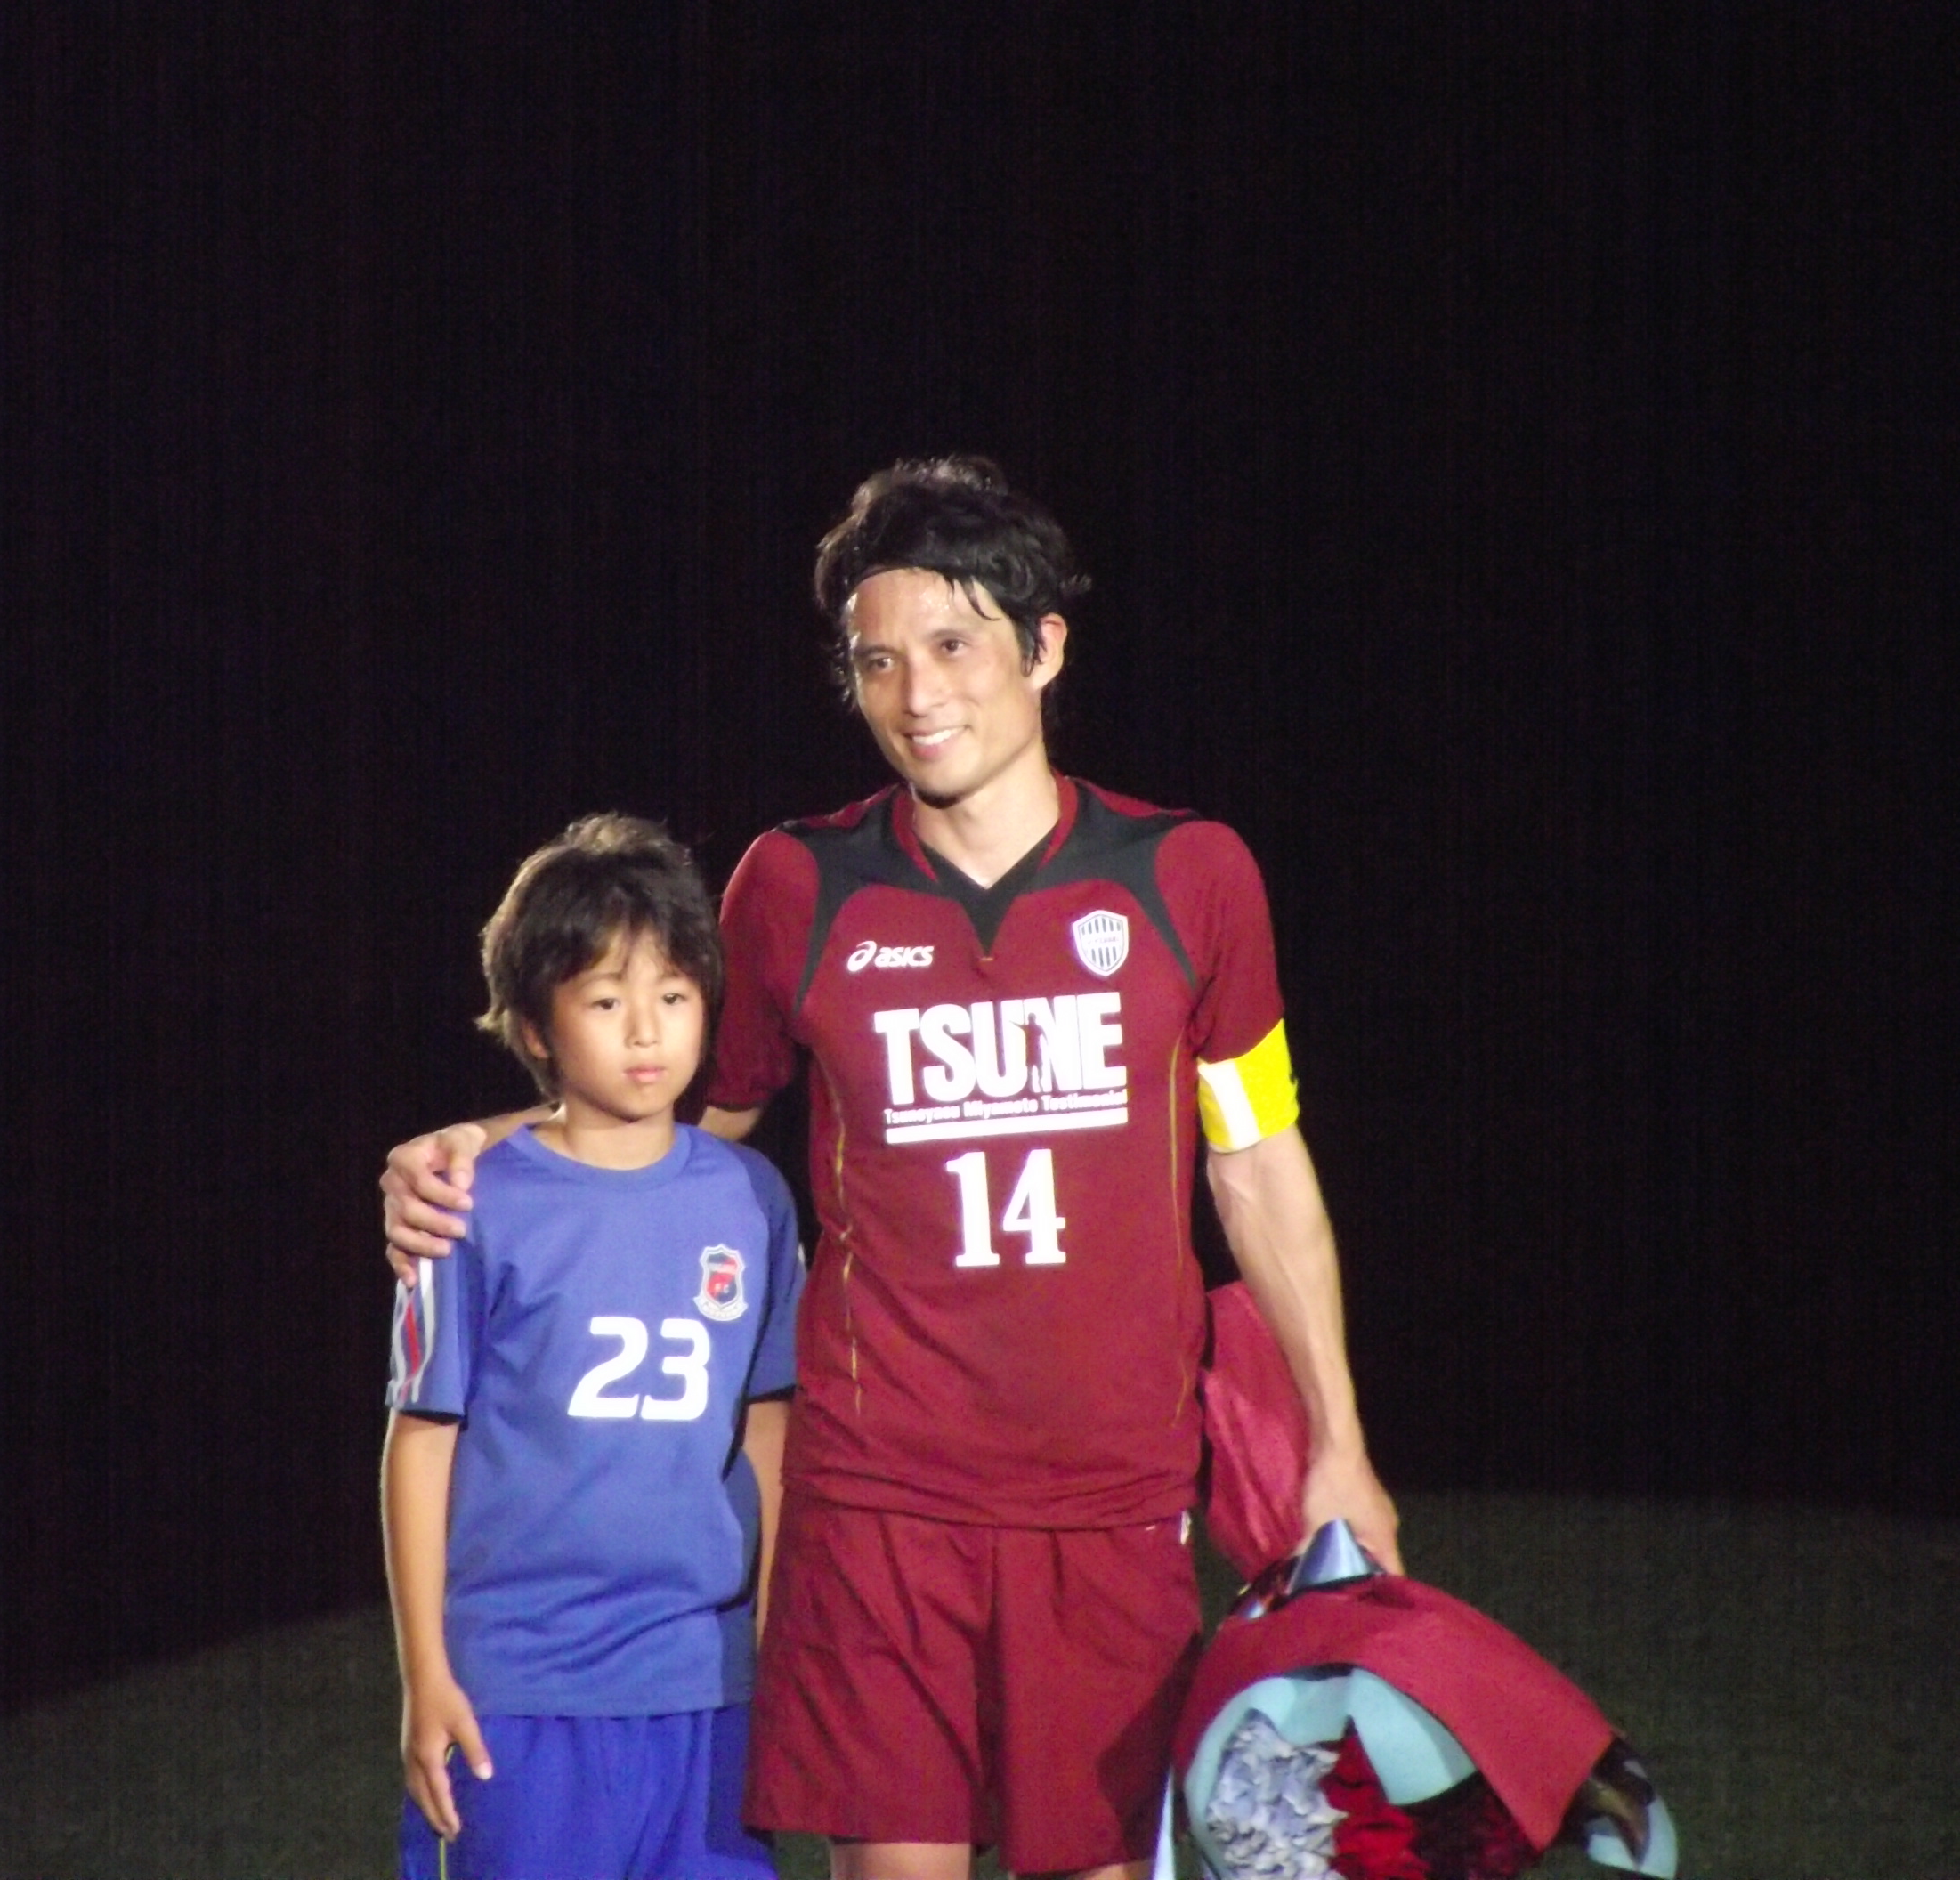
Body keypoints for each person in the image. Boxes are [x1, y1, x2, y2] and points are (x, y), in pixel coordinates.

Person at [384, 459, 1399, 1880]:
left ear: (1045, 648)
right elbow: (684, 1125)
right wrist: (483, 1145)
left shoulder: (1192, 877)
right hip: (877, 1501)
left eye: (954, 645)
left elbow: (1259, 1165)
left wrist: (1339, 1443)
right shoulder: (797, 886)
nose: (917, 694)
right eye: (878, 661)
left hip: (1110, 1498)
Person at [381, 813, 803, 1880]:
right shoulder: (466, 1203)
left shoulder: (750, 1197)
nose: (645, 1031)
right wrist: (425, 1672)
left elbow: (769, 1426)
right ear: (535, 1027)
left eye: (674, 995)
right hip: (521, 1690)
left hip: (705, 1686)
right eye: (606, 1001)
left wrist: (774, 1628)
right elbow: (421, 1440)